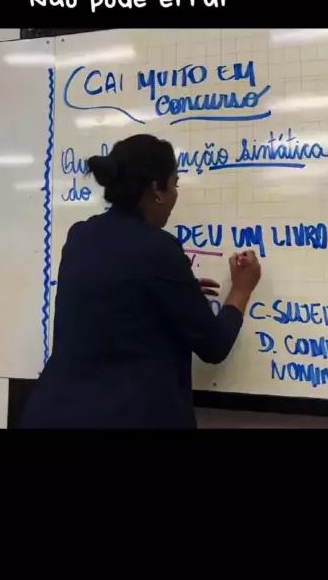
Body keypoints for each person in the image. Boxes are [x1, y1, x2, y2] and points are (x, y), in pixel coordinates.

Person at [20, 134, 261, 429]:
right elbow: (215, 346)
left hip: (52, 412)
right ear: (156, 190)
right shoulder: (158, 248)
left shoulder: (80, 235)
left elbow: (118, 301)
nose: (174, 196)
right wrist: (241, 289)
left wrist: (176, 293)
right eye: (174, 185)